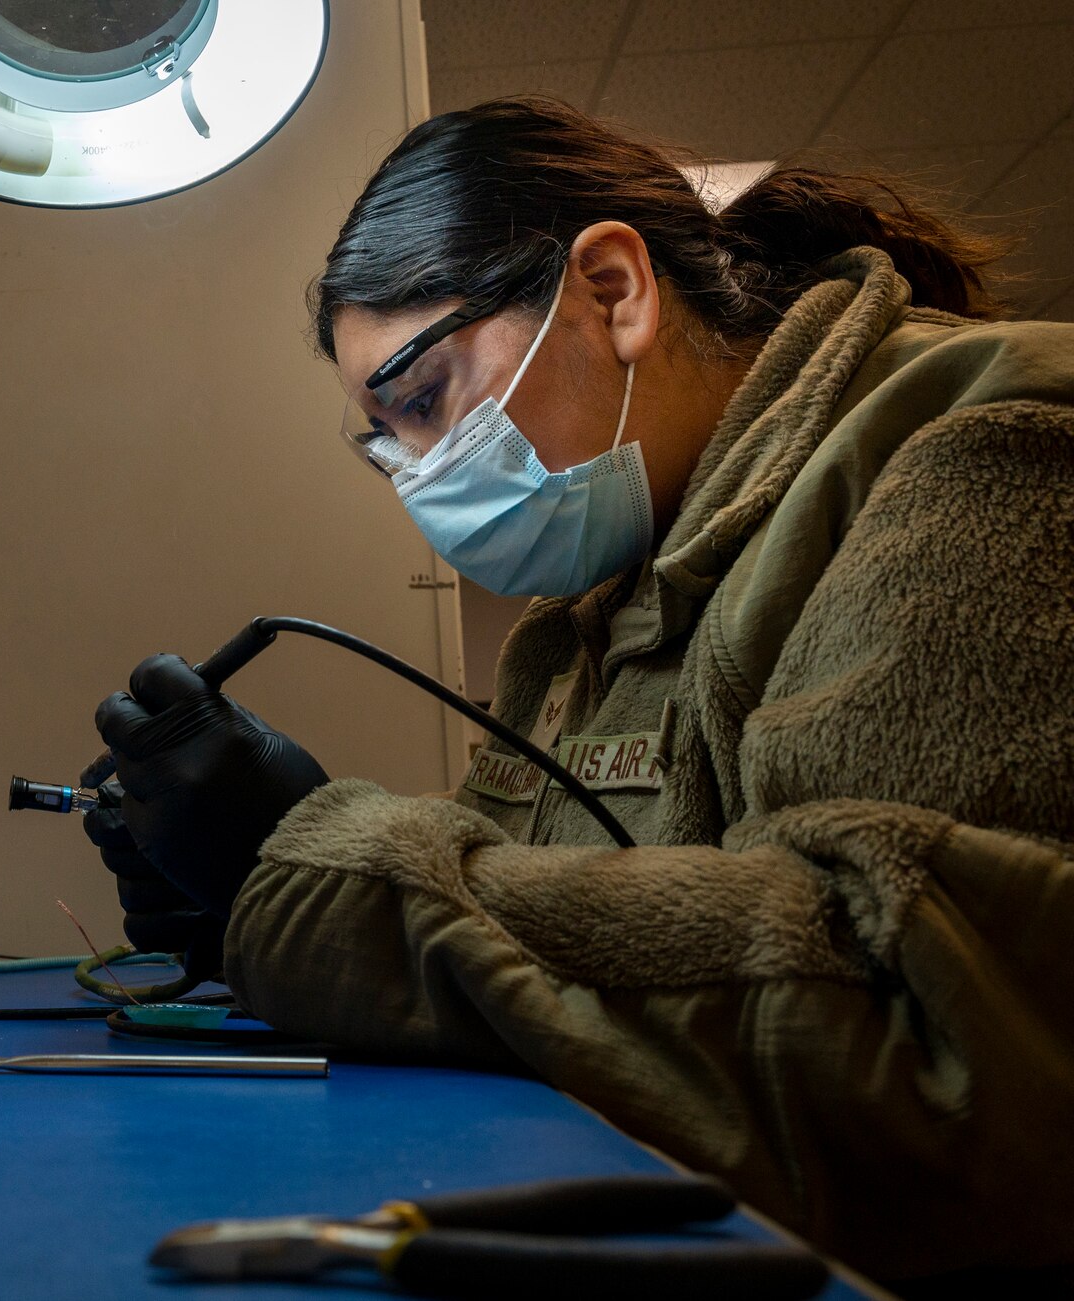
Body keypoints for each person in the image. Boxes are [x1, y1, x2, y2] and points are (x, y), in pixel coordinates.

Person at [85, 98, 1074, 1294]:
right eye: (384, 441)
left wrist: (314, 865)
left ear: (611, 291)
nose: (418, 471)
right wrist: (241, 909)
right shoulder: (574, 629)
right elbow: (541, 951)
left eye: (423, 395)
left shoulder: (977, 445)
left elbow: (926, 1041)